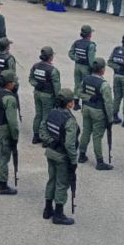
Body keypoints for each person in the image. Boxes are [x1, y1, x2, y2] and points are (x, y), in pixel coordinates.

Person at [40, 90, 78, 225]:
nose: (74, 102)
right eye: (72, 100)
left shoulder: (52, 112)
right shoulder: (69, 120)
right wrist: (74, 160)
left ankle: (47, 209)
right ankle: (59, 214)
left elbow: (42, 130)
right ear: (68, 104)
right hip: (62, 156)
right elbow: (69, 143)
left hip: (50, 152)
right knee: (62, 183)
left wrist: (50, 141)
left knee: (52, 180)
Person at [77, 57, 113, 171]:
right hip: (98, 112)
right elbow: (108, 104)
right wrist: (110, 119)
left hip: (86, 108)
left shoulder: (86, 79)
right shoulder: (104, 85)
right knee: (97, 137)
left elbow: (78, 92)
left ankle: (81, 155)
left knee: (86, 131)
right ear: (102, 69)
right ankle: (100, 162)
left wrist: (88, 98)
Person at [29, 46, 61, 143]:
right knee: (46, 116)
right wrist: (58, 99)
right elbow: (57, 87)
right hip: (48, 96)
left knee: (38, 114)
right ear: (50, 57)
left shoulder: (35, 66)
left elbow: (31, 79)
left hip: (37, 93)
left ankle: (36, 135)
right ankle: (45, 137)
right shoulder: (53, 70)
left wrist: (37, 85)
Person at [68, 24, 96, 111]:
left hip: (77, 66)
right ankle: (84, 103)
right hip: (86, 68)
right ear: (89, 34)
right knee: (85, 86)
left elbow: (70, 53)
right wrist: (93, 70)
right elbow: (91, 60)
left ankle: (76, 103)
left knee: (77, 84)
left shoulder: (77, 43)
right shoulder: (91, 45)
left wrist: (76, 58)